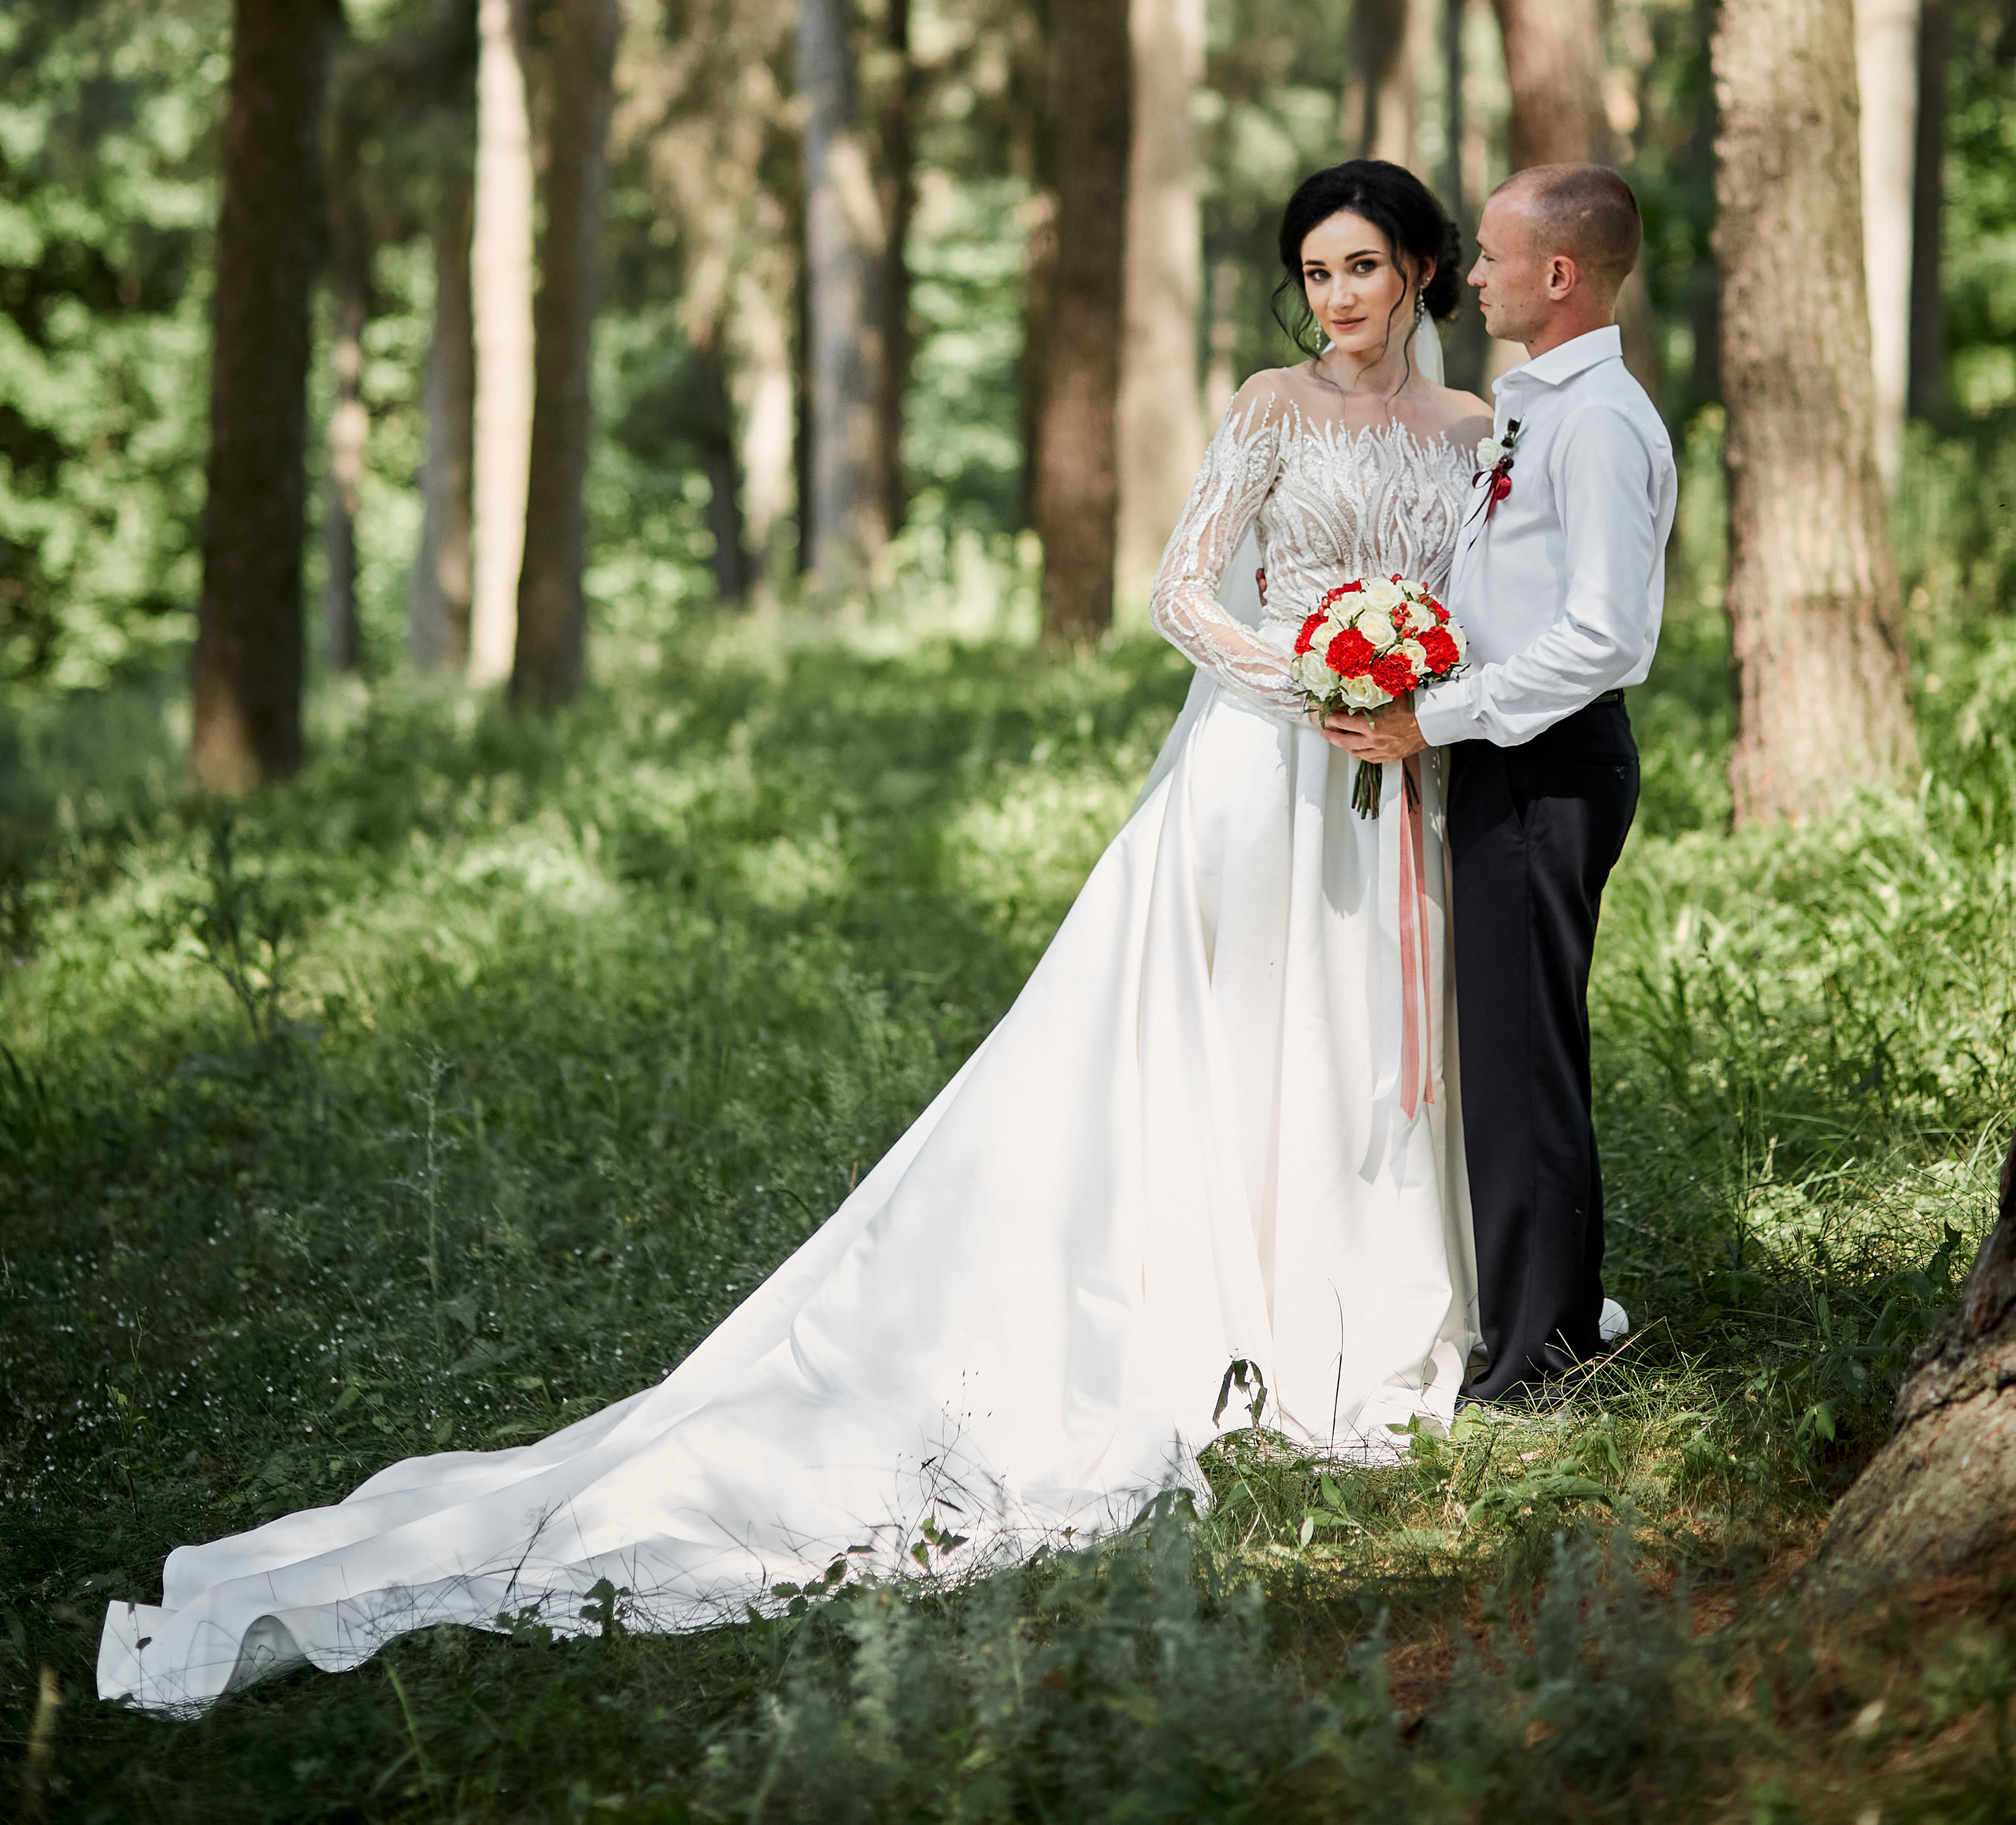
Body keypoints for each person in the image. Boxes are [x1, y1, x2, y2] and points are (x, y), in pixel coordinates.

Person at [100, 161, 1492, 1719]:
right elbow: (1180, 593)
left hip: (1403, 767)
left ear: (1425, 270)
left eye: (1360, 266)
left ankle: (1355, 1326)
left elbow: (1487, 604)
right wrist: (1314, 671)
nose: (1335, 299)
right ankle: (1220, 1323)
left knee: (1360, 1046)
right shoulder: (1267, 405)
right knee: (1228, 1054)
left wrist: (1413, 696)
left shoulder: (1471, 435)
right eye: (1312, 271)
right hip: (1258, 767)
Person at [1332, 164, 1677, 1401]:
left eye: (1491, 255)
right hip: (1502, 758)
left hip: (1548, 766)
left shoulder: (1602, 422)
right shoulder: (1539, 404)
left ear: (1561, 274)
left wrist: (1438, 716)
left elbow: (1605, 637)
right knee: (1513, 1055)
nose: (1470, 275)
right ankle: (1548, 1322)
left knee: (1526, 1064)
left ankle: (1538, 1359)